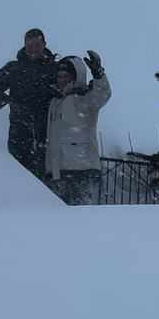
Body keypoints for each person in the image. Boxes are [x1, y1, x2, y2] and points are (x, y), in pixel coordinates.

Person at [0, 29, 57, 180]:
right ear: (24, 45)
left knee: (47, 179)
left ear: (44, 45)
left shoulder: (54, 69)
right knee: (19, 176)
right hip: (19, 133)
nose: (33, 48)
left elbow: (69, 88)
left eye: (36, 44)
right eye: (29, 44)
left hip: (49, 134)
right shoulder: (14, 69)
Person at [45, 50, 111, 206]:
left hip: (82, 170)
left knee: (83, 219)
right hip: (57, 172)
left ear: (75, 77)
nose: (62, 80)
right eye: (59, 77)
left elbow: (103, 94)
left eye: (66, 77)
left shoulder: (85, 98)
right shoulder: (55, 102)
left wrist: (98, 73)